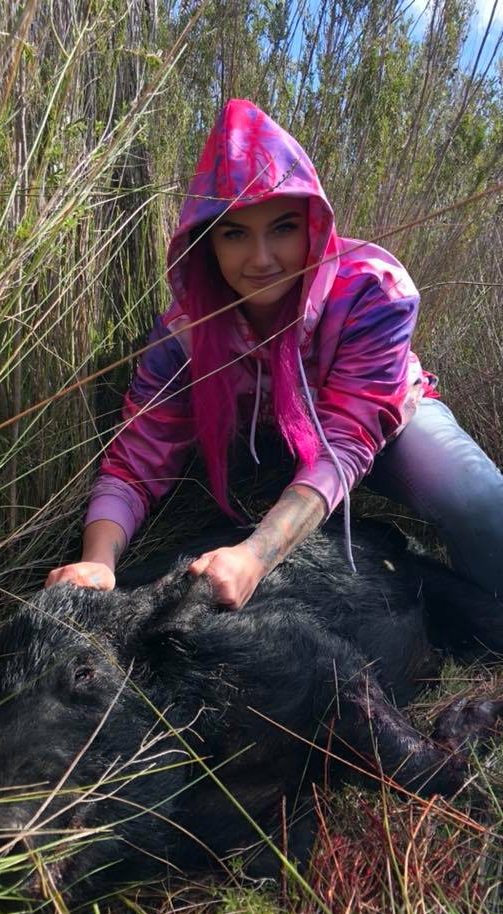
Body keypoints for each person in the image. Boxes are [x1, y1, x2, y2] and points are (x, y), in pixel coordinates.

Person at [46, 99, 503, 606]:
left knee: (480, 501)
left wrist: (255, 555)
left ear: (312, 225)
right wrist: (98, 562)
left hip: (380, 431)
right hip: (267, 441)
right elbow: (137, 459)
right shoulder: (184, 332)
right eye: (235, 234)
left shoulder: (374, 291)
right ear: (207, 243)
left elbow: (347, 441)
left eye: (283, 228)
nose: (262, 259)